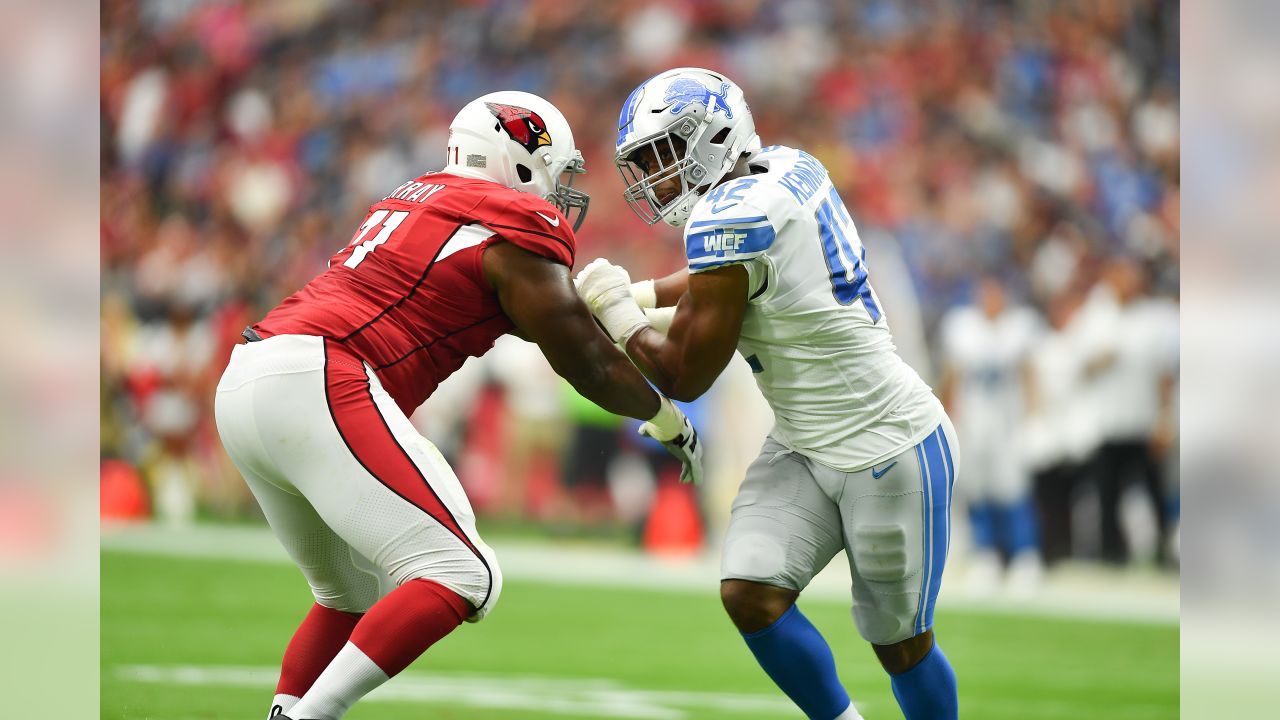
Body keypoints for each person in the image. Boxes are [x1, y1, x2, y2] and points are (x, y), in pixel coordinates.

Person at [213, 90, 702, 720]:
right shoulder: (511, 222)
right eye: (556, 172)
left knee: (349, 594)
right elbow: (585, 359)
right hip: (322, 377)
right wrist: (666, 418)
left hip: (251, 372)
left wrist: (622, 299)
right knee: (465, 574)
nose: (559, 193)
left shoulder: (420, 197)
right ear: (520, 158)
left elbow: (544, 317)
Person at [575, 67, 959, 720]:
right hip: (805, 440)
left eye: (661, 156)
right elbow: (716, 276)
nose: (654, 178)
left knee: (902, 644)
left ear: (713, 137)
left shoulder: (734, 218)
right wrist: (637, 296)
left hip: (887, 443)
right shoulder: (784, 166)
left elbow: (683, 373)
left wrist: (619, 316)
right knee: (750, 593)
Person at [938, 276, 1043, 595]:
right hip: (974, 424)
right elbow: (952, 376)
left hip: (1008, 425)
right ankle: (986, 556)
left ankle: (1025, 556)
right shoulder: (963, 327)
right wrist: (945, 416)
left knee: (1013, 490)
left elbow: (1029, 375)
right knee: (977, 491)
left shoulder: (1019, 327)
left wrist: (1035, 417)